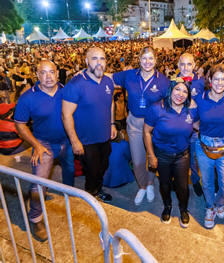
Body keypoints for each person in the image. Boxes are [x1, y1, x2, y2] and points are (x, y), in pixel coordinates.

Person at [14, 60, 74, 242]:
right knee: (38, 183)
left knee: (70, 173)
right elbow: (20, 124)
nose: (48, 77)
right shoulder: (28, 97)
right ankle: (35, 218)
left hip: (67, 141)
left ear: (57, 73)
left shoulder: (67, 91)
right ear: (37, 75)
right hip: (44, 144)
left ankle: (69, 196)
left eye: (51, 72)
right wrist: (36, 145)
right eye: (43, 73)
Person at [112, 46, 170, 205]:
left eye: (151, 58)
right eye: (144, 58)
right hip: (135, 123)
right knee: (137, 160)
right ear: (139, 59)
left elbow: (172, 102)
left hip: (155, 125)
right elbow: (109, 78)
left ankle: (150, 184)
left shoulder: (163, 80)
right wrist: (86, 74)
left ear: (156, 60)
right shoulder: (130, 75)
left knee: (153, 158)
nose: (147, 62)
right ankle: (142, 186)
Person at [62, 47, 116, 203]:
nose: (99, 63)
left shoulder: (107, 81)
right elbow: (66, 115)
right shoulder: (76, 84)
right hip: (86, 140)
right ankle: (91, 195)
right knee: (92, 170)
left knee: (103, 166)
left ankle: (97, 189)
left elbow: (110, 102)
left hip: (105, 135)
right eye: (94, 59)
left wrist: (112, 124)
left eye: (102, 59)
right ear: (86, 61)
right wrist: (74, 141)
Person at [144, 79, 196, 227]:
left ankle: (183, 209)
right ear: (170, 91)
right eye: (177, 90)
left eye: (185, 91)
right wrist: (151, 155)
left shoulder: (191, 110)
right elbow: (147, 132)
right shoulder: (156, 109)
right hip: (162, 155)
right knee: (165, 184)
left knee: (183, 186)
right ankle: (167, 206)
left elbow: (199, 124)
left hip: (182, 156)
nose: (180, 94)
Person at [194, 64, 224, 229]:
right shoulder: (200, 98)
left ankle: (219, 203)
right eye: (216, 79)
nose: (220, 82)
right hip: (204, 145)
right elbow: (193, 119)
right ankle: (210, 207)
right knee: (207, 183)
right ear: (210, 80)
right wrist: (204, 131)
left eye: (223, 79)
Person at [177, 53, 205, 196]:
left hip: (195, 130)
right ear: (178, 65)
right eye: (183, 64)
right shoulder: (174, 82)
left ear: (194, 65)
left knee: (194, 158)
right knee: (178, 157)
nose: (186, 67)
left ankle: (195, 180)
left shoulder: (201, 82)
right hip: (179, 129)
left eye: (189, 64)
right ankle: (178, 182)